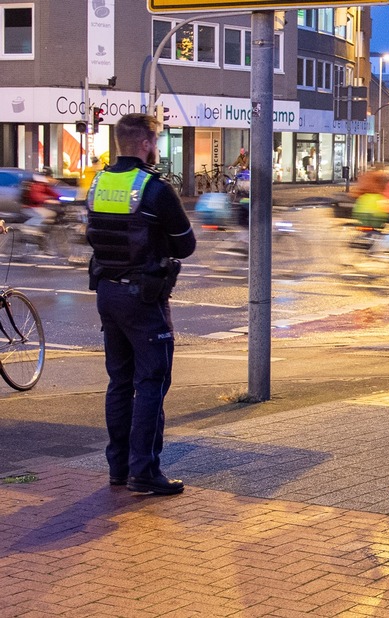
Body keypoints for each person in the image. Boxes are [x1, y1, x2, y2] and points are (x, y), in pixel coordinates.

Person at [84, 113, 195, 496]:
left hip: (107, 293)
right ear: (146, 143)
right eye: (156, 141)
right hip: (144, 299)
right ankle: (144, 471)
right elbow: (186, 245)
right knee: (151, 381)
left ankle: (118, 468)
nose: (157, 149)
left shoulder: (99, 182)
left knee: (120, 382)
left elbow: (92, 234)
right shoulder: (154, 189)